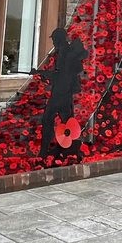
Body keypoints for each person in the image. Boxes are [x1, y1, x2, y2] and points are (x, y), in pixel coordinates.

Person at [31, 28, 88, 157]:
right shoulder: (65, 52)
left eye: (55, 40)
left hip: (60, 93)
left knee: (50, 119)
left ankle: (47, 151)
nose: (54, 43)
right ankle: (66, 150)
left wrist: (41, 73)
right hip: (64, 92)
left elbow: (61, 75)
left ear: (59, 39)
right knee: (65, 121)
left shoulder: (65, 53)